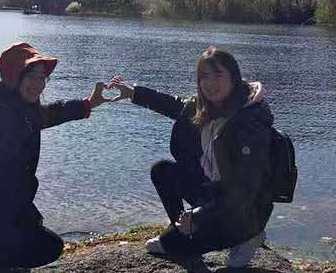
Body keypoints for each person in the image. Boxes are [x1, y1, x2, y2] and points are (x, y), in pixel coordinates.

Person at [0, 42, 109, 273]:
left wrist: (88, 104)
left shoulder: (11, 107)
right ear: (13, 77)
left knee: (25, 231)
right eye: (31, 77)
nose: (38, 84)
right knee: (46, 246)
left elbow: (50, 114)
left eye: (42, 78)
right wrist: (29, 217)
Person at [108, 46, 274, 269]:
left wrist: (199, 216)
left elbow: (243, 193)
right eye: (204, 76)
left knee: (171, 245)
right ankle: (183, 229)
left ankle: (248, 238)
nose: (210, 83)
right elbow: (176, 105)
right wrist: (134, 93)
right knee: (163, 171)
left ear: (234, 78)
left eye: (218, 75)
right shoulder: (211, 106)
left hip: (244, 212)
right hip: (217, 195)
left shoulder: (248, 123)